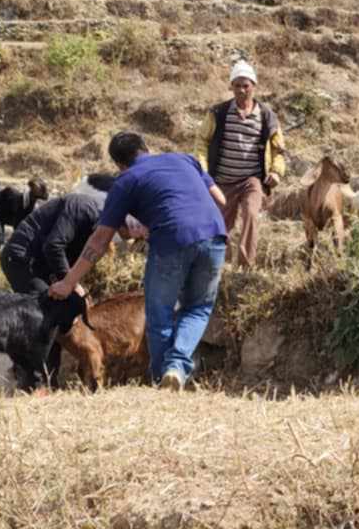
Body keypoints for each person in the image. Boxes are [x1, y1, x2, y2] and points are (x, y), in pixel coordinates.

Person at [49, 132, 229, 391]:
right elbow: (221, 199)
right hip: (214, 235)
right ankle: (177, 367)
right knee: (198, 308)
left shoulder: (125, 181)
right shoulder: (186, 159)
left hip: (171, 239)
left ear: (119, 164)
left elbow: (100, 240)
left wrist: (68, 282)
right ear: (147, 147)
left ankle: (162, 377)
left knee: (159, 312)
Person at [201, 59, 285, 268]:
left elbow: (278, 149)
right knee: (221, 225)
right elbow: (201, 142)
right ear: (231, 86)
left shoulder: (266, 116)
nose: (241, 90)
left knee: (251, 215)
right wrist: (203, 171)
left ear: (253, 86)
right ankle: (216, 265)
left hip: (251, 179)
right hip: (223, 180)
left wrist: (276, 171)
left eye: (246, 85)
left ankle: (245, 268)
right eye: (237, 85)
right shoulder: (218, 113)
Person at [0, 191, 145, 295]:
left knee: (66, 305)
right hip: (22, 256)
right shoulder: (83, 208)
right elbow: (53, 246)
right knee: (47, 309)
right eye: (124, 234)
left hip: (43, 263)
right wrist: (71, 283)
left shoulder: (99, 225)